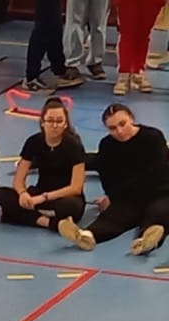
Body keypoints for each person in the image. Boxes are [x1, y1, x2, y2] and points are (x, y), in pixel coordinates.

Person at [58, 102, 169, 252]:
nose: (120, 131)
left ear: (131, 118)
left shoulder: (153, 137)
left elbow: (156, 174)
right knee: (113, 216)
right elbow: (108, 178)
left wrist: (117, 195)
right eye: (112, 128)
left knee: (159, 213)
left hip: (159, 193)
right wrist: (112, 197)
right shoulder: (107, 145)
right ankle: (87, 235)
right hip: (129, 199)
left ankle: (146, 241)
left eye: (123, 124)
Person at [0, 97, 87, 229]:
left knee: (71, 207)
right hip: (39, 193)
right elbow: (19, 179)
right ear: (42, 122)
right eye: (50, 121)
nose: (54, 125)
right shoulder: (33, 142)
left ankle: (21, 216)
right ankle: (48, 222)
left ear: (65, 124)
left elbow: (76, 188)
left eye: (59, 121)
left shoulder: (74, 145)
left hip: (62, 197)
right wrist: (23, 193)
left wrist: (44, 198)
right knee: (0, 194)